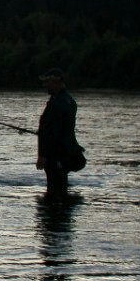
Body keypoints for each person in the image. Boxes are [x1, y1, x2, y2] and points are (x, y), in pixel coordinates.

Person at [36, 68, 82, 202]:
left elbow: (48, 133)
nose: (45, 86)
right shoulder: (69, 101)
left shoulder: (57, 104)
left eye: (48, 82)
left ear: (56, 82)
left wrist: (42, 155)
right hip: (66, 153)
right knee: (61, 189)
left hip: (55, 155)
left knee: (55, 190)